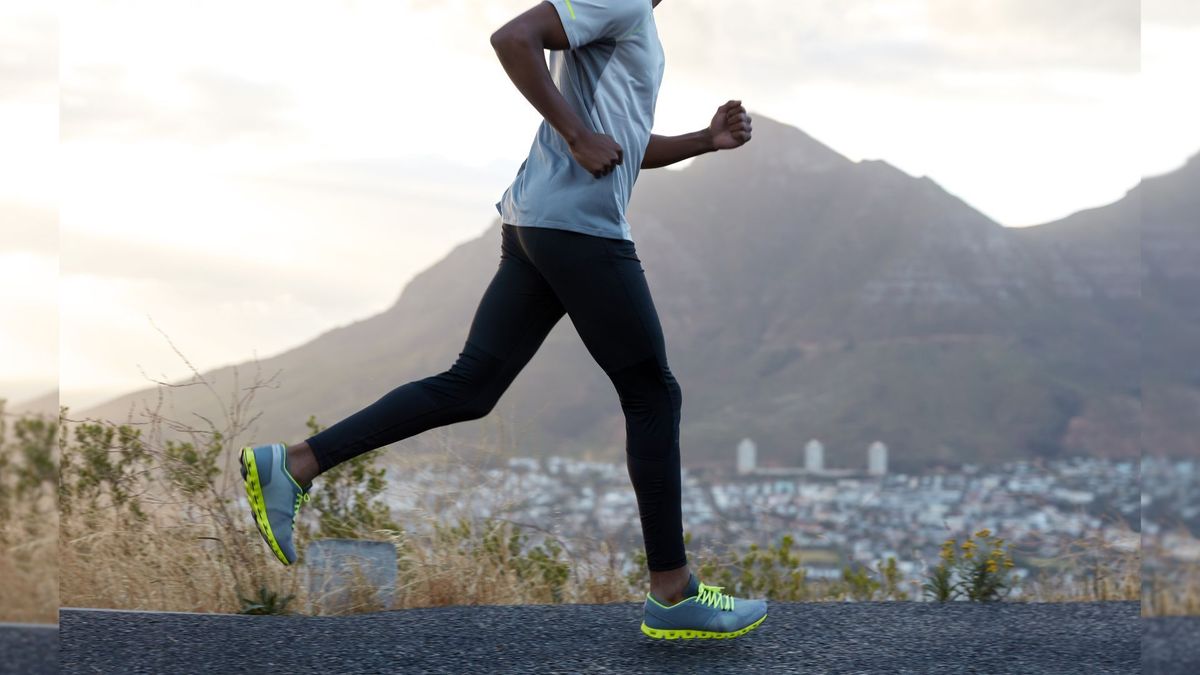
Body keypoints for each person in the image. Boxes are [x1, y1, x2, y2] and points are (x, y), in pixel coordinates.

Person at [239, 0, 766, 639]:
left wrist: (704, 141)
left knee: (472, 386)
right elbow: (513, 37)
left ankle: (294, 464)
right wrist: (575, 134)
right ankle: (673, 592)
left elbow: (621, 144)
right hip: (578, 228)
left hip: (537, 223)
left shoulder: (636, 21)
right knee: (652, 393)